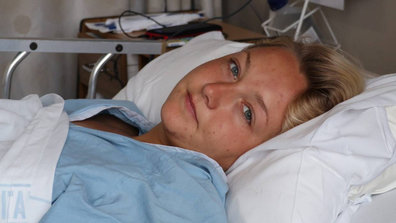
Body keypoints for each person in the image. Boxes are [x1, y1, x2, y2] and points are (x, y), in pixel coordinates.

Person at [39, 36, 365, 222]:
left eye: (248, 112)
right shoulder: (121, 116)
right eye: (235, 68)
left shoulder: (175, 203)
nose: (214, 90)